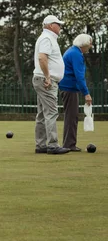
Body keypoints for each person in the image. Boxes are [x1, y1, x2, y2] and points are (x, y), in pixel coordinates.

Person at [32, 15, 70, 155]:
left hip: (42, 79)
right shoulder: (47, 38)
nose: (60, 27)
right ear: (50, 25)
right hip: (46, 80)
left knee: (42, 114)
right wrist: (48, 76)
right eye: (58, 24)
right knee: (51, 112)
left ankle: (41, 145)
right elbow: (42, 57)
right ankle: (53, 145)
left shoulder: (48, 38)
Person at [58, 34, 93, 152]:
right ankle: (69, 144)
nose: (90, 46)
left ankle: (69, 143)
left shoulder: (72, 51)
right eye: (90, 43)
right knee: (71, 116)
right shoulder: (76, 54)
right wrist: (86, 93)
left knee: (72, 115)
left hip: (68, 86)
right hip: (69, 87)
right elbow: (79, 76)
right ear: (84, 44)